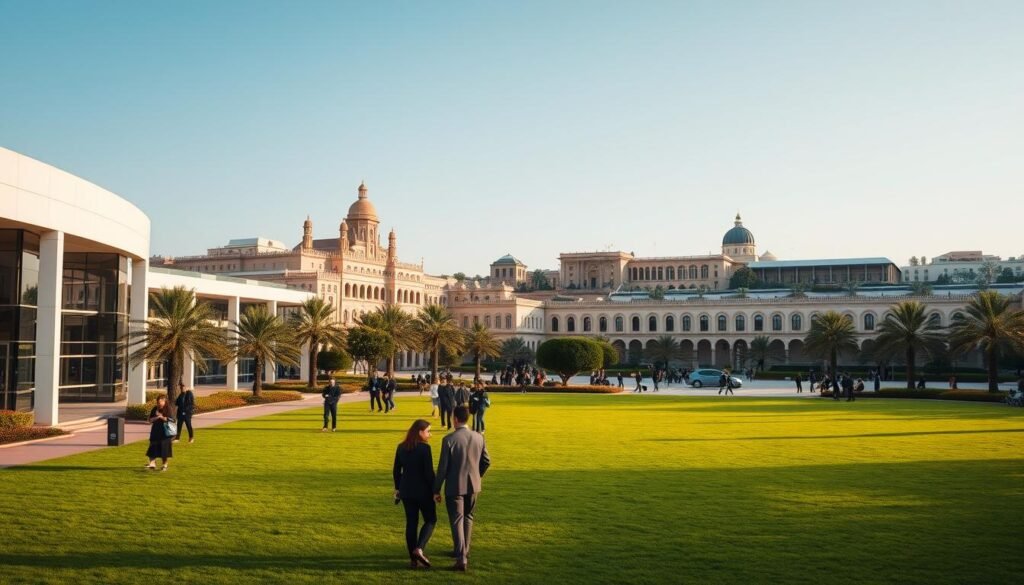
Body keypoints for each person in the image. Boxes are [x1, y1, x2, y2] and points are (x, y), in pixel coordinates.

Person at [434, 406, 490, 572]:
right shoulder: (479, 437)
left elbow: (442, 468)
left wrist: (436, 489)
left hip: (454, 485)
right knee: (468, 517)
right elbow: (487, 461)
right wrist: (477, 475)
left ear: (455, 419)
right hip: (474, 485)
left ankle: (461, 557)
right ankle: (464, 551)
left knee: (457, 519)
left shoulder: (449, 439)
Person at [393, 419, 437, 569]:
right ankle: (419, 548)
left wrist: (398, 489)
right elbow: (429, 473)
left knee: (411, 523)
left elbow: (396, 471)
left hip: (406, 491)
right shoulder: (425, 449)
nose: (429, 435)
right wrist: (435, 491)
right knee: (430, 520)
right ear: (420, 432)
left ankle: (413, 559)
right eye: (428, 431)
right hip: (423, 492)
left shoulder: (401, 447)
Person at [146, 395, 174, 471]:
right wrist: (157, 417)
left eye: (160, 402)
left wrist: (162, 417)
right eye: (158, 402)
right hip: (155, 431)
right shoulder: (155, 409)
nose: (159, 404)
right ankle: (152, 463)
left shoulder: (168, 409)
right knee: (152, 447)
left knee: (164, 449)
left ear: (165, 402)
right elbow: (150, 420)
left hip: (165, 433)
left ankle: (164, 464)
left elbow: (171, 419)